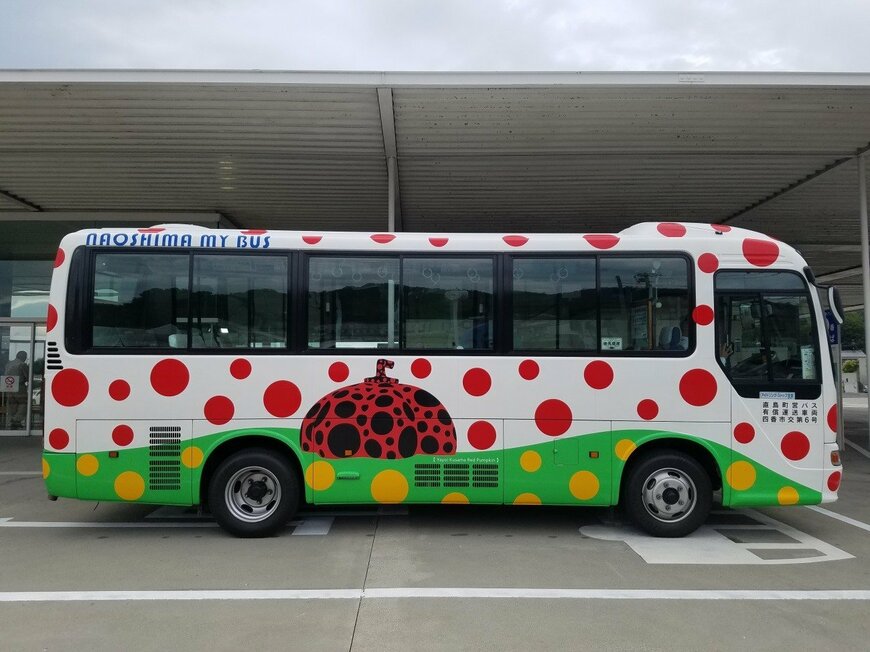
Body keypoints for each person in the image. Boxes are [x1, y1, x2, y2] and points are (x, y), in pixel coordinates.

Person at [4, 351, 28, 429]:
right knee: (24, 403)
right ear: (23, 357)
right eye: (25, 357)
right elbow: (28, 376)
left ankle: (13, 421)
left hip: (8, 386)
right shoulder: (22, 364)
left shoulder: (8, 364)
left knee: (12, 405)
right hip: (19, 386)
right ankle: (16, 420)